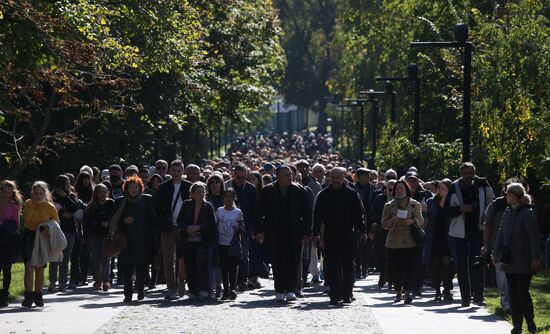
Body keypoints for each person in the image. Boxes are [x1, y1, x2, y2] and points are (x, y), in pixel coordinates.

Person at [256, 165, 312, 302]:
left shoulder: (299, 190)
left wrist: (306, 232)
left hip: (295, 232)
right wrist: (260, 231)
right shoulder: (268, 190)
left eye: (290, 174)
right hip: (274, 232)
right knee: (277, 261)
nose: (290, 177)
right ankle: (280, 290)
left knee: (293, 260)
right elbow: (259, 212)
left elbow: (307, 213)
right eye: (286, 175)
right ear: (278, 176)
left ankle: (292, 289)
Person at [313, 167, 367, 305]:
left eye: (339, 177)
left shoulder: (351, 193)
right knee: (331, 266)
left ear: (344, 177)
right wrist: (316, 234)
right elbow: (317, 217)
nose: (336, 180)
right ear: (330, 177)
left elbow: (358, 215)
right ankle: (334, 294)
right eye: (333, 177)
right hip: (330, 235)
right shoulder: (323, 194)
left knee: (348, 265)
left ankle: (347, 293)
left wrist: (363, 231)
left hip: (348, 234)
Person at [493, 183, 540, 334]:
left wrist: (535, 257)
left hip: (524, 259)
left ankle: (530, 322)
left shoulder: (527, 213)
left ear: (514, 195)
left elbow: (534, 237)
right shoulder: (507, 211)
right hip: (509, 259)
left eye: (507, 193)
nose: (505, 196)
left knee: (522, 291)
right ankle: (517, 325)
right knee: (512, 292)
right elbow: (500, 234)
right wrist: (495, 253)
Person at [446, 162, 495, 306]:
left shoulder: (482, 183)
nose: (468, 176)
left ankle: (478, 296)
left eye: (470, 173)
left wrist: (485, 214)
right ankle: (465, 297)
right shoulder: (454, 186)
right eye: (465, 173)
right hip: (459, 232)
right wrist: (461, 209)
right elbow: (447, 210)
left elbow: (491, 201)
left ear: (475, 172)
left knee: (477, 263)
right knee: (461, 265)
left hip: (478, 229)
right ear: (461, 174)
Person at [110, 176, 157, 303]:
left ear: (140, 187)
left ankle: (141, 290)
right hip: (126, 240)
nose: (134, 190)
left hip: (143, 239)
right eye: (131, 187)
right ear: (126, 189)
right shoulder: (120, 201)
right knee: (127, 268)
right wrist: (123, 221)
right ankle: (128, 294)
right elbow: (113, 221)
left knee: (142, 267)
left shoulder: (147, 200)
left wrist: (153, 235)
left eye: (136, 187)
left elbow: (153, 218)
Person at [381, 180, 424, 304]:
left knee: (409, 268)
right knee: (396, 268)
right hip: (394, 242)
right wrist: (392, 221)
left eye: (402, 188)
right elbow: (384, 224)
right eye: (397, 188)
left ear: (406, 189)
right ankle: (398, 291)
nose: (399, 191)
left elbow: (421, 220)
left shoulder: (414, 204)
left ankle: (408, 292)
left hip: (411, 241)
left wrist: (412, 221)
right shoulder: (389, 205)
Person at [155, 160, 192, 300]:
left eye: (178, 171)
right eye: (174, 170)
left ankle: (182, 281)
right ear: (170, 171)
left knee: (184, 257)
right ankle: (171, 287)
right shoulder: (163, 187)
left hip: (184, 227)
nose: (176, 173)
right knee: (168, 258)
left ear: (183, 172)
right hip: (168, 226)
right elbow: (156, 207)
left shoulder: (189, 186)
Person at [21, 181, 60, 307]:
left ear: (45, 193)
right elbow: (26, 219)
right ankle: (28, 296)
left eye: (40, 193)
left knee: (39, 269)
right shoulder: (28, 203)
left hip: (42, 238)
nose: (38, 196)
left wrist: (48, 228)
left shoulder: (50, 207)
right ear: (32, 193)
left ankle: (38, 296)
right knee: (28, 268)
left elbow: (56, 224)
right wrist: (34, 205)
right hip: (29, 236)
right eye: (35, 193)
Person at [178, 182, 218, 300]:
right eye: (198, 192)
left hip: (203, 240)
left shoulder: (208, 206)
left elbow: (212, 223)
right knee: (190, 265)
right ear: (192, 193)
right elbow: (180, 221)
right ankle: (193, 291)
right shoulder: (186, 205)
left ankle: (204, 290)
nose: (201, 194)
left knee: (203, 266)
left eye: (203, 191)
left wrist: (199, 227)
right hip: (188, 240)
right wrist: (187, 228)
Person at [483, 179, 517, 312]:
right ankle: (505, 299)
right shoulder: (496, 205)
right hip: (499, 246)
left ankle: (513, 301)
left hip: (518, 247)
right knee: (501, 277)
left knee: (515, 276)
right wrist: (486, 245)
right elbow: (488, 225)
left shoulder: (524, 205)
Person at [225, 163, 258, 291]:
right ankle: (231, 280)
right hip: (228, 225)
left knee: (244, 254)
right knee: (230, 254)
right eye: (238, 177)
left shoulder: (250, 188)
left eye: (243, 178)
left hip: (246, 226)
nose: (240, 180)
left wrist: (256, 229)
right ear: (234, 175)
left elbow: (255, 209)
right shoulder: (227, 186)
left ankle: (242, 280)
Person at [424, 179, 454, 302]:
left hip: (449, 237)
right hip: (434, 236)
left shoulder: (452, 202)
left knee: (447, 264)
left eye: (443, 188)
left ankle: (446, 289)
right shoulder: (431, 202)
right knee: (435, 264)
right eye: (439, 188)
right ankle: (437, 290)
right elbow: (427, 219)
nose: (440, 190)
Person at [49, 174, 79, 292]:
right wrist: (62, 213)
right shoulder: (52, 197)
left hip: (69, 230)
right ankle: (52, 282)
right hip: (56, 229)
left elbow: (74, 208)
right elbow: (52, 212)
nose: (68, 186)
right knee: (55, 256)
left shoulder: (71, 196)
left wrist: (65, 197)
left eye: (68, 184)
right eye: (65, 184)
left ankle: (62, 282)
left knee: (66, 257)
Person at [84, 183, 114, 291]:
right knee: (96, 259)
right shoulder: (91, 206)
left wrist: (109, 224)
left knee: (106, 259)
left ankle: (106, 280)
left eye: (104, 191)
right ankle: (98, 281)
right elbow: (87, 222)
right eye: (100, 192)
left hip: (107, 236)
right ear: (96, 193)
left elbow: (115, 217)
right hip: (94, 236)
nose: (102, 194)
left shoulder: (111, 203)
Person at [215, 188, 244, 300]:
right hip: (221, 243)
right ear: (223, 198)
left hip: (233, 244)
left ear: (234, 198)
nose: (228, 199)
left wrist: (238, 228)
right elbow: (215, 225)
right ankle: (225, 289)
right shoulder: (219, 211)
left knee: (233, 267)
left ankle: (232, 288)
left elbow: (242, 227)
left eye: (231, 197)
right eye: (226, 197)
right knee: (223, 267)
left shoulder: (238, 212)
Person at [0, 180, 23, 307]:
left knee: (6, 269)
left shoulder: (14, 205)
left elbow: (16, 224)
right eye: (4, 191)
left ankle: (4, 295)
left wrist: (4, 225)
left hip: (8, 239)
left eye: (9, 192)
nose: (6, 194)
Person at [369, 179, 396, 288]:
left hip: (395, 231)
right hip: (381, 231)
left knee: (392, 256)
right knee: (381, 255)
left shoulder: (400, 200)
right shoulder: (379, 198)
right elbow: (373, 213)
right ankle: (382, 274)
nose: (391, 189)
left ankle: (391, 278)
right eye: (389, 186)